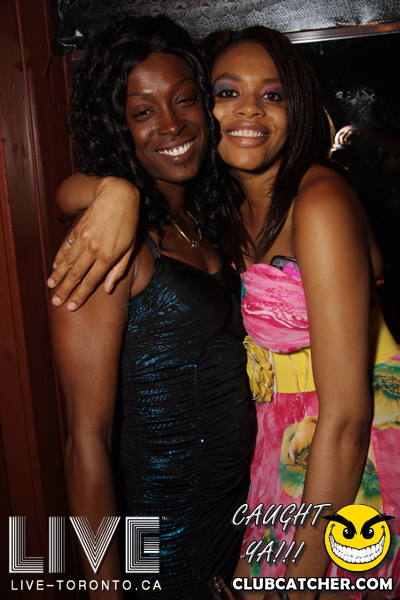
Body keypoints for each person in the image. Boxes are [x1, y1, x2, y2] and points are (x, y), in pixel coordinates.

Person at [49, 24, 400, 599]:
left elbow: (346, 415)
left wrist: (303, 579)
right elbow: (84, 439)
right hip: (228, 499)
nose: (250, 110)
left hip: (336, 477)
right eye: (228, 91)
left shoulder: (302, 204)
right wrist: (110, 191)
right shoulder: (206, 218)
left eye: (273, 94)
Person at [49, 15, 256, 600]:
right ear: (116, 125)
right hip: (162, 553)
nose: (171, 124)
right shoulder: (106, 243)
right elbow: (85, 440)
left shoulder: (204, 220)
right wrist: (105, 589)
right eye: (143, 111)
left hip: (238, 532)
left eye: (185, 100)